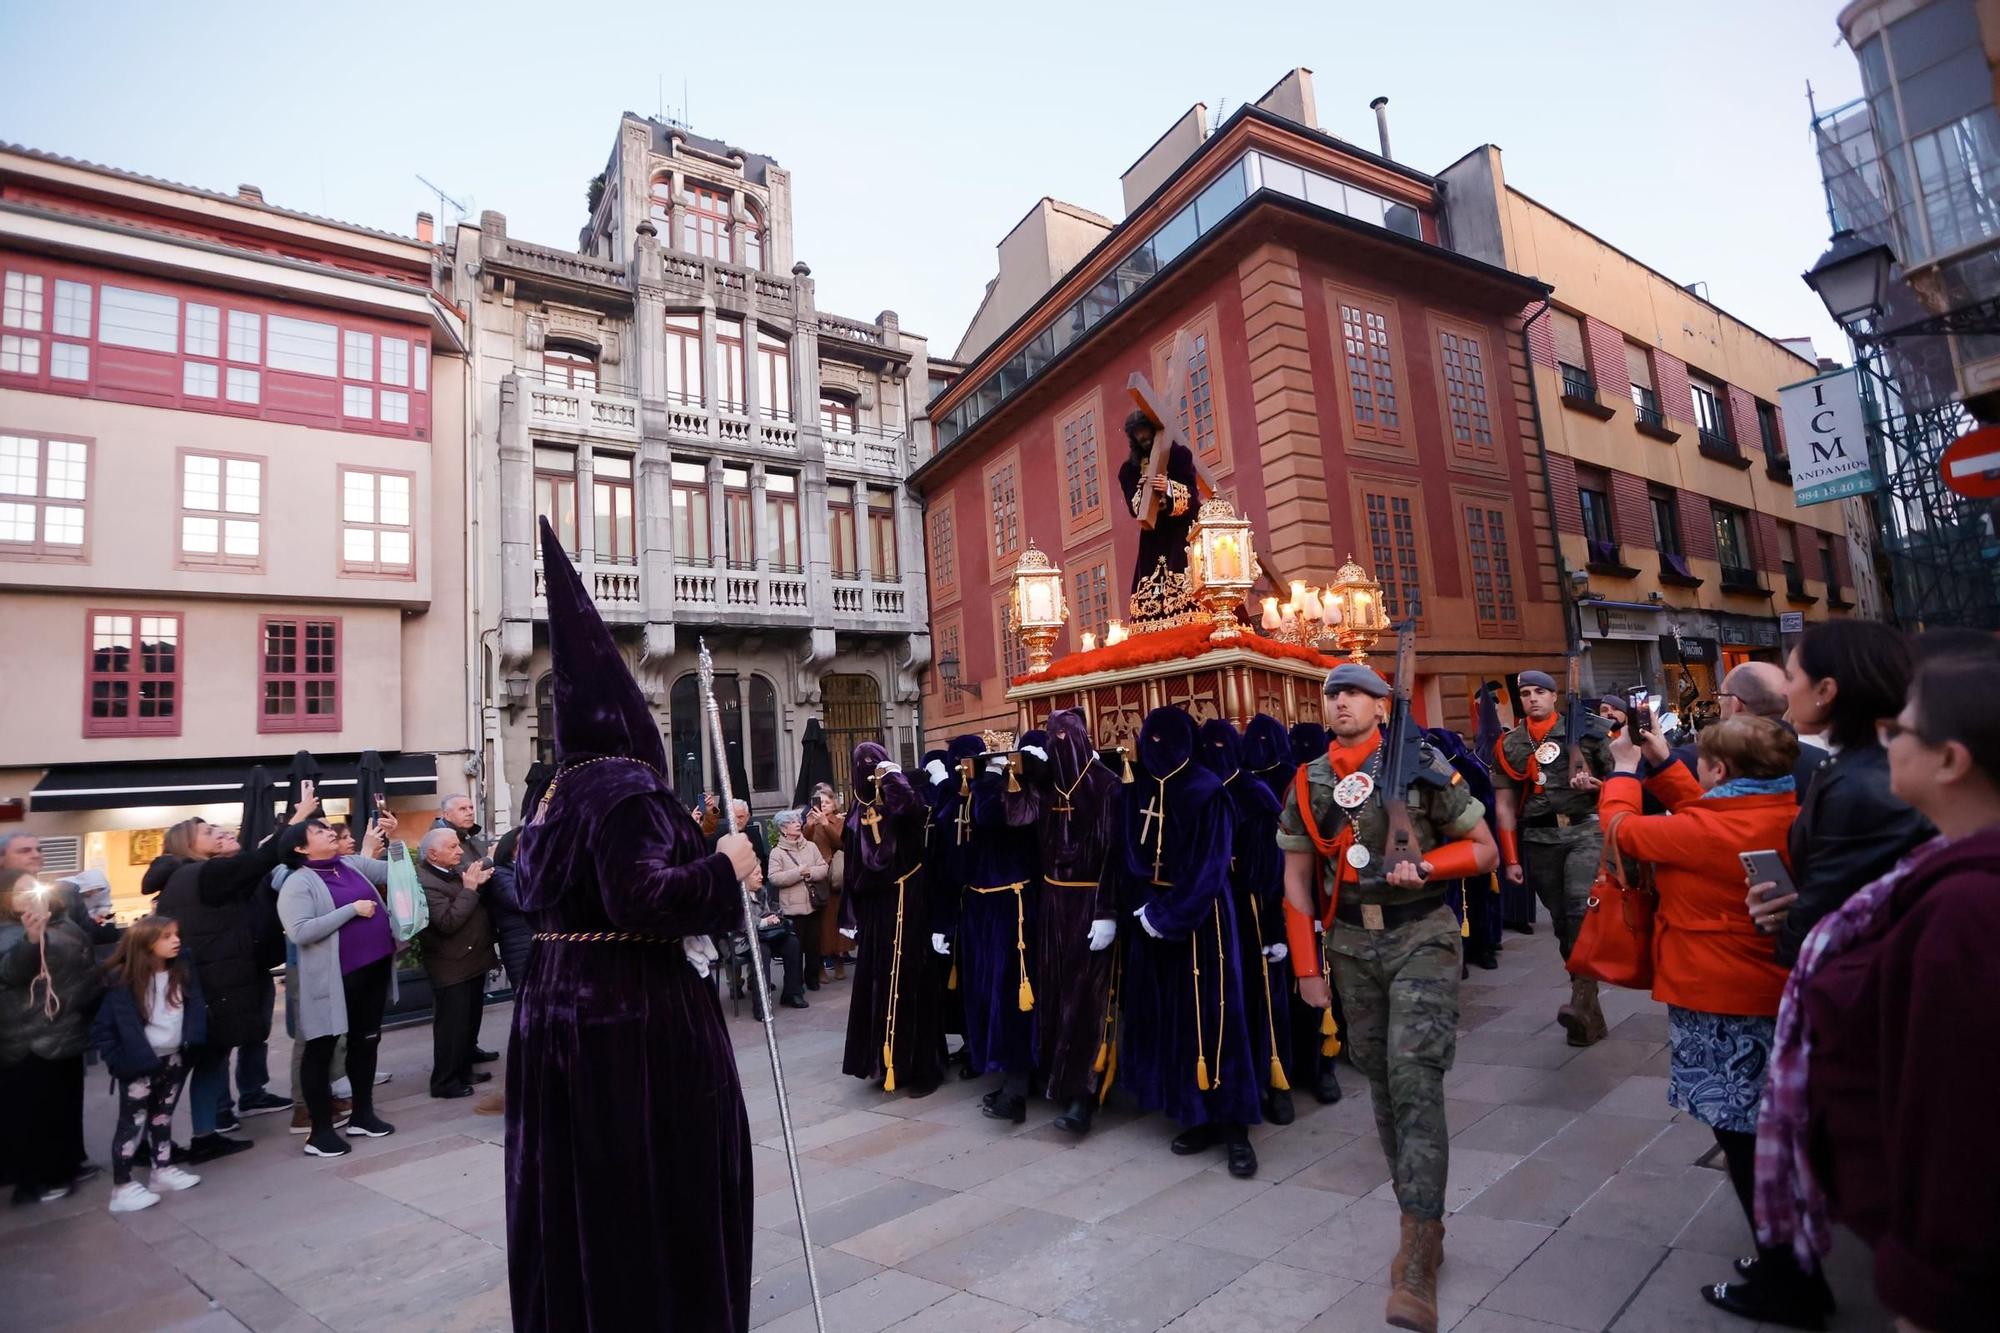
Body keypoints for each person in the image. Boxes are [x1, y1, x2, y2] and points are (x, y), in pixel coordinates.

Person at [507, 518, 761, 1330]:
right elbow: (641, 896)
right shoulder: (622, 784)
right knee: (648, 1211)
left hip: (553, 1019)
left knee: (574, 1206)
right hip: (631, 1032)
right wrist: (727, 867)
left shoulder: (550, 796)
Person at [1754, 646, 2000, 1333]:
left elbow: (1954, 1122)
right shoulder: (1937, 868)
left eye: (1903, 731)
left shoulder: (1968, 910)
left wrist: (1930, 1293)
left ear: (1950, 760)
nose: (1885, 741)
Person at [1279, 664, 1496, 1333]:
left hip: (1421, 936)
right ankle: (1419, 1218)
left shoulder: (1423, 764)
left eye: (1353, 692)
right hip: (1350, 946)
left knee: (1414, 1076)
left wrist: (1429, 864)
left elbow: (1484, 848)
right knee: (1379, 1079)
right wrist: (1308, 967)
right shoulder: (1311, 779)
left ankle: (1417, 1248)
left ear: (1382, 705)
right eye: (1330, 694)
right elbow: (1295, 875)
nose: (1338, 701)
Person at [1595, 716, 1827, 1322]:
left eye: (1703, 762)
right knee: (1768, 1140)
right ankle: (1793, 1261)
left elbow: (1621, 830)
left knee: (1746, 1145)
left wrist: (1623, 770)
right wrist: (1666, 762)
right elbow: (1709, 813)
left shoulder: (1705, 832)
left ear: (1720, 770)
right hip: (1769, 995)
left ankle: (1789, 1280)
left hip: (1720, 1001)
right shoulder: (1784, 812)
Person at [1116, 707, 1259, 1175]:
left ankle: (1234, 1125)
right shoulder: (1135, 789)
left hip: (1202, 923)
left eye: (1164, 740)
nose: (1154, 748)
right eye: (1148, 740)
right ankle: (1194, 1114)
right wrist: (1143, 905)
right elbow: (1129, 853)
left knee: (1217, 1018)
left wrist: (1169, 914)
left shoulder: (1206, 791)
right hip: (1151, 922)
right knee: (1173, 1020)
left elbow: (1211, 867)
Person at [1750, 621, 1932, 964]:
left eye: (1792, 678)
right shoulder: (1865, 766)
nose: (1785, 692)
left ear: (1826, 690)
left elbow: (1826, 909)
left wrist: (1788, 931)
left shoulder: (1861, 784)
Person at [153, 803, 313, 1163]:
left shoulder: (191, 876)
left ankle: (199, 1135)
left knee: (206, 1060)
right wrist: (297, 820)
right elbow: (263, 857)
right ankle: (175, 1138)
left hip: (211, 979)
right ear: (188, 845)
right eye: (209, 833)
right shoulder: (205, 875)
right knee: (196, 1063)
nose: (221, 834)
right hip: (211, 983)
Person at [1491, 669, 1613, 1045]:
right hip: (1540, 837)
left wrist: (1598, 786)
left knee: (1579, 908)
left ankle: (1579, 1000)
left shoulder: (1588, 730)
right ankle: (1588, 1010)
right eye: (1525, 693)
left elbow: (1624, 781)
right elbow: (1505, 805)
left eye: (1539, 691)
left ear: (1554, 696)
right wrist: (1510, 859)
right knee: (1562, 923)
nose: (1532, 698)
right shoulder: (1510, 745)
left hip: (1584, 830)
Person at [1017, 711, 1120, 1134]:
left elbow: (1117, 855)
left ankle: (1084, 1094)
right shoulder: (1044, 785)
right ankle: (1054, 1076)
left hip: (1089, 901)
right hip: (1051, 902)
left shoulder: (1105, 786)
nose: (1059, 744)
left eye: (1066, 736)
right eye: (1052, 738)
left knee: (1086, 1001)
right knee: (1054, 993)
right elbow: (1016, 821)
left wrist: (1108, 911)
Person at [278, 814, 401, 1156]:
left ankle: (362, 1114)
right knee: (321, 1048)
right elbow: (300, 931)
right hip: (334, 977)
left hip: (373, 967)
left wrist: (396, 839)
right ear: (301, 847)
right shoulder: (297, 882)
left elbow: (398, 871)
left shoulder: (349, 864)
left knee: (366, 1042)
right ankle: (319, 1132)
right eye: (319, 831)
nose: (330, 833)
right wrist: (350, 910)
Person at [1197, 718, 1294, 1127]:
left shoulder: (1255, 793)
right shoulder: (1199, 792)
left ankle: (1278, 1082)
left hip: (1252, 908)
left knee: (1265, 1000)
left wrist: (1275, 927)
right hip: (1214, 911)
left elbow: (1274, 867)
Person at [841, 743, 945, 1095]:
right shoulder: (856, 813)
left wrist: (892, 776)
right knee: (879, 984)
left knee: (912, 983)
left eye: (876, 764)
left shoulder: (900, 800)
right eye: (865, 766)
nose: (869, 771)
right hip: (876, 911)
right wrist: (851, 915)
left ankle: (922, 1067)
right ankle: (883, 1061)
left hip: (908, 900)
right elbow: (852, 866)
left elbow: (914, 810)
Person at [0, 867, 104, 1203]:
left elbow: (84, 966)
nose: (30, 896)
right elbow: (12, 972)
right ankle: (36, 1180)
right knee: (33, 1113)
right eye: (20, 892)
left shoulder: (63, 921)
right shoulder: (7, 931)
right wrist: (32, 939)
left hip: (66, 1028)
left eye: (34, 888)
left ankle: (65, 1166)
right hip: (29, 1037)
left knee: (65, 1105)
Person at [91, 917, 206, 1212]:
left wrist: (193, 1040)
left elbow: (193, 1008)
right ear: (146, 944)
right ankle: (123, 1185)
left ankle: (162, 1169)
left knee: (162, 1117)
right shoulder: (123, 982)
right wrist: (121, 1061)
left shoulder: (182, 971)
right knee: (132, 1122)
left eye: (176, 934)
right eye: (167, 936)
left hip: (174, 1056)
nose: (176, 940)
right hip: (140, 1063)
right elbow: (105, 1028)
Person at [1648, 663, 1827, 799]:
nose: (1718, 702)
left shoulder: (1703, 757)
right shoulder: (1823, 762)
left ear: (1735, 703)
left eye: (1721, 696)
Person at [415, 828, 496, 1099]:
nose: (460, 851)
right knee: (452, 1027)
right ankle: (444, 1081)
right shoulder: (425, 881)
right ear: (433, 854)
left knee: (468, 1022)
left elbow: (472, 873)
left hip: (471, 960)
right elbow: (447, 922)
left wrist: (480, 878)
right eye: (452, 847)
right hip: (451, 965)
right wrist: (471, 889)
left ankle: (463, 1071)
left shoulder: (451, 871)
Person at [1116, 408, 1199, 596]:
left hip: (1182, 532)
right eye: (1137, 433)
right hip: (1153, 535)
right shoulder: (1129, 470)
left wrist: (1168, 487)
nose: (1142, 437)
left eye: (1144, 430)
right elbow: (1134, 509)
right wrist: (1143, 492)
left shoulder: (1179, 455)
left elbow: (1192, 496)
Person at [766, 809, 830, 998]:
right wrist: (797, 873)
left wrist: (808, 872)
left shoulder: (810, 846)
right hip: (792, 909)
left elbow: (823, 868)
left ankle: (812, 979)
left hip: (813, 904)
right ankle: (796, 983)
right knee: (795, 949)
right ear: (783, 829)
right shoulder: (777, 852)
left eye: (797, 820)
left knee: (813, 946)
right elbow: (774, 878)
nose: (798, 823)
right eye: (792, 822)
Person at [807, 784, 850, 981]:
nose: (823, 806)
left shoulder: (840, 821)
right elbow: (805, 843)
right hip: (817, 876)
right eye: (820, 802)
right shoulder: (811, 822)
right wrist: (809, 825)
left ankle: (840, 961)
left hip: (835, 875)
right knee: (821, 924)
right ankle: (821, 967)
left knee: (836, 920)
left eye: (826, 802)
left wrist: (825, 824)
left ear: (834, 804)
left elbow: (840, 843)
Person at [433, 794, 489, 860]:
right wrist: (489, 859)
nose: (470, 813)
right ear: (447, 815)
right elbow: (459, 868)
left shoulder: (468, 834)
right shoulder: (439, 840)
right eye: (462, 809)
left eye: (471, 808)